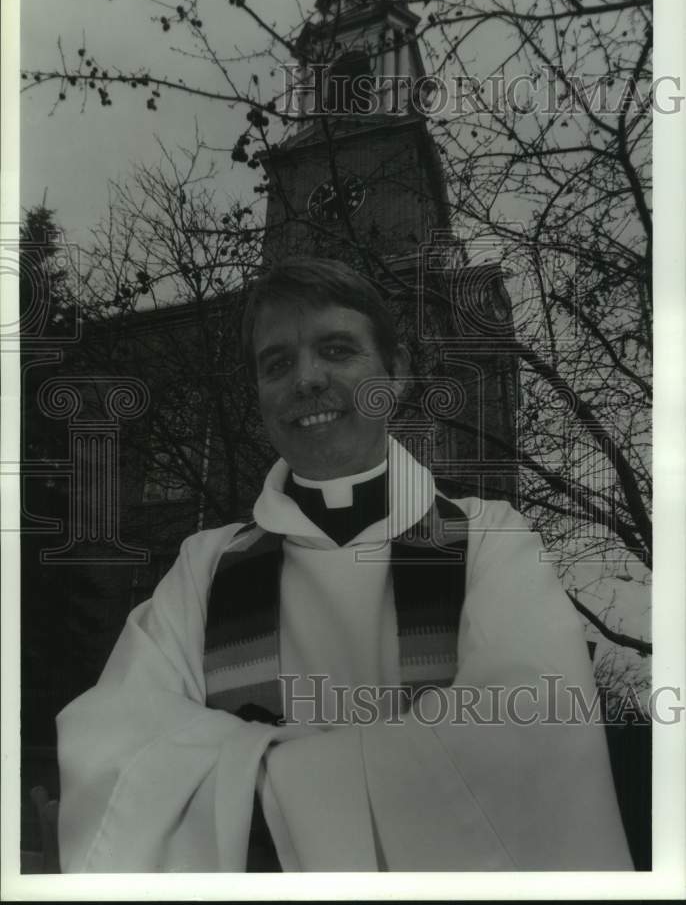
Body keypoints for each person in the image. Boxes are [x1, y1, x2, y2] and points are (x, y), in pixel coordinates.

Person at [56, 257, 633, 872]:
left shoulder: (487, 540)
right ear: (260, 396)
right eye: (277, 363)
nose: (306, 379)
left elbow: (526, 732)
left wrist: (245, 774)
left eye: (336, 349)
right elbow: (118, 744)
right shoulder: (206, 566)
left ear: (398, 374)